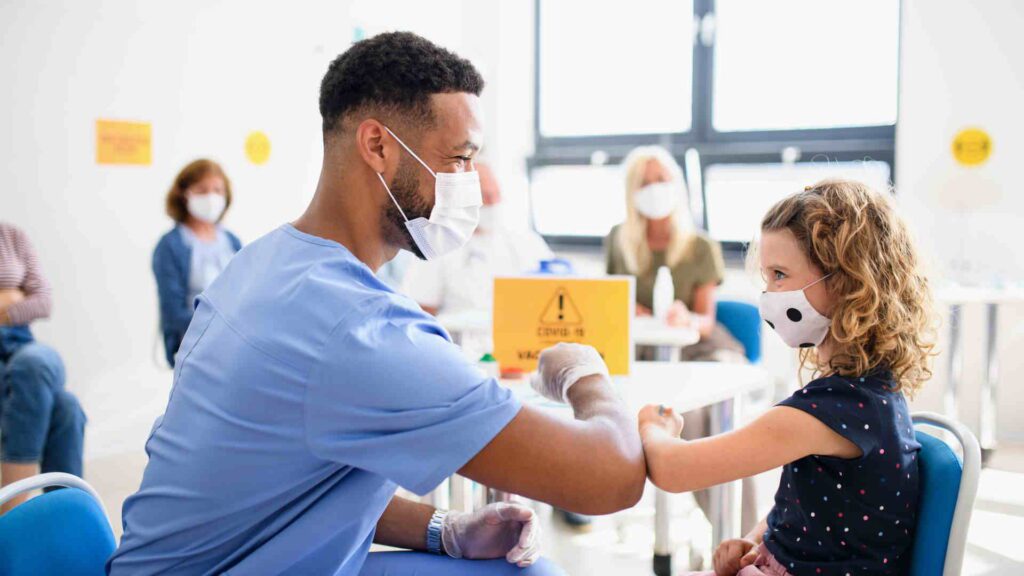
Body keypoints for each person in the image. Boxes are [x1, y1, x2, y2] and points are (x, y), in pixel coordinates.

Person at [109, 32, 645, 576]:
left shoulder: (259, 266)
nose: (469, 186)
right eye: (458, 159)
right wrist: (583, 372)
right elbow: (611, 475)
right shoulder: (358, 329)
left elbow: (291, 483)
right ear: (378, 146)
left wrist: (443, 530)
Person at [638, 180, 936, 576]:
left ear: (848, 282)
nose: (769, 294)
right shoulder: (872, 395)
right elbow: (809, 503)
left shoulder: (823, 414)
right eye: (767, 277)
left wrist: (654, 426)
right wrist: (760, 539)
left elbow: (673, 470)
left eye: (780, 274)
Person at [606, 145, 756, 536]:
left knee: (707, 414)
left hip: (700, 349)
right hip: (642, 352)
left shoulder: (699, 246)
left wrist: (685, 316)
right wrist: (630, 311)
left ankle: (738, 530)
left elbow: (706, 320)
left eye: (662, 180)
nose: (655, 188)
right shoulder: (619, 242)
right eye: (646, 182)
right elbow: (610, 301)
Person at [401, 161, 553, 357]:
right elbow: (420, 313)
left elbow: (553, 290)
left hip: (521, 352)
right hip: (460, 353)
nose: (492, 204)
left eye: (496, 196)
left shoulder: (525, 241)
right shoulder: (439, 243)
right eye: (486, 197)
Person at [0, 223, 86, 514]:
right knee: (66, 407)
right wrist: (11, 296)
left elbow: (43, 301)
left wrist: (10, 306)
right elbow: (29, 299)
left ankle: (14, 509)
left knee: (34, 365)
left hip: (22, 344)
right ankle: (48, 518)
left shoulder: (11, 236)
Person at [152, 159, 242, 367]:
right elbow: (174, 312)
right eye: (202, 190)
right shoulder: (171, 246)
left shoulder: (231, 241)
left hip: (234, 339)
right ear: (184, 194)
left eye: (217, 190)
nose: (211, 197)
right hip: (193, 344)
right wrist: (221, 329)